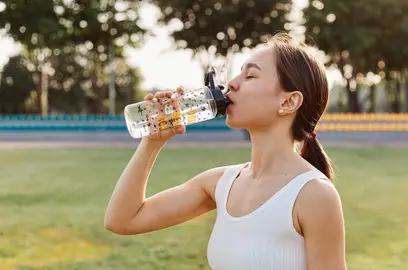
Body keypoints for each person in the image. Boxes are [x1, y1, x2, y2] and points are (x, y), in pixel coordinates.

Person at [104, 32, 347, 270]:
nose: (231, 83)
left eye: (250, 75)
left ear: (288, 102)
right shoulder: (220, 183)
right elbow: (123, 219)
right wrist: (152, 143)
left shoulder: (314, 195)